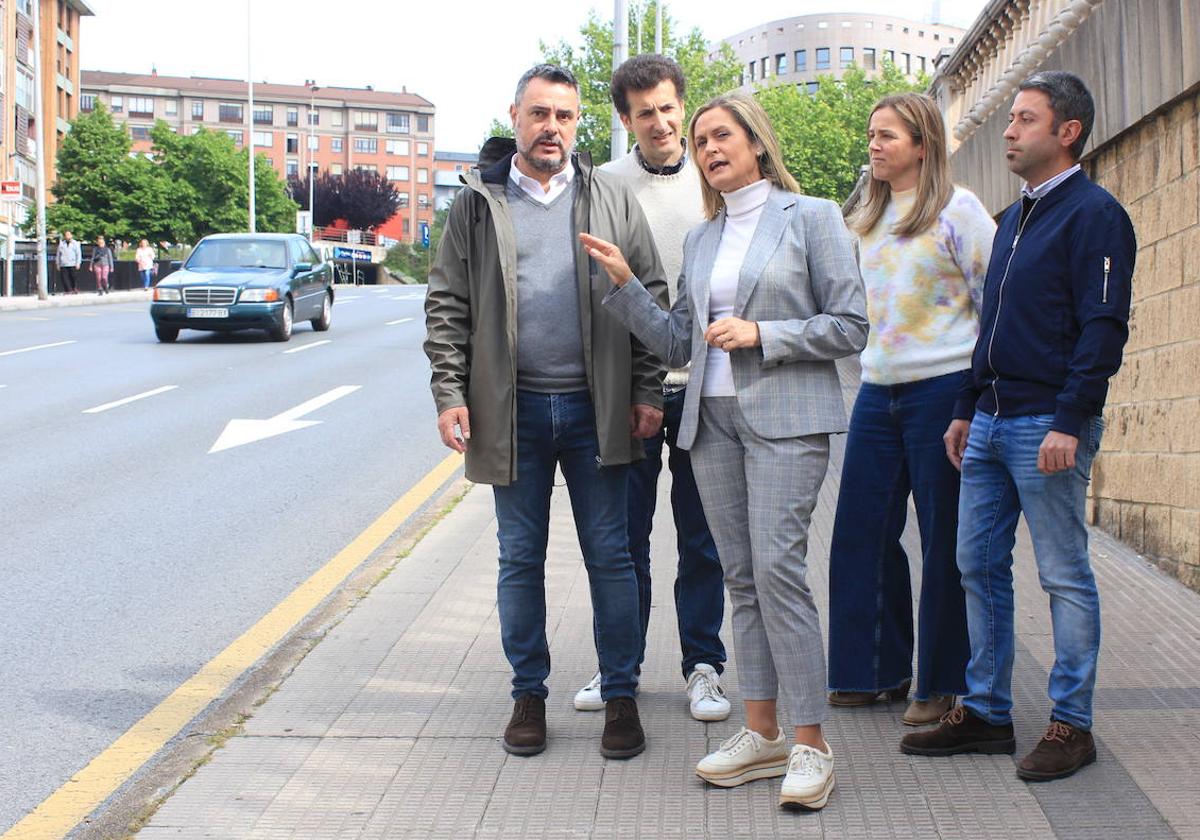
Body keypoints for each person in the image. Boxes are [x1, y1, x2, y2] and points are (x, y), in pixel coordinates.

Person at [583, 94, 867, 810]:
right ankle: (763, 729)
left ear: (757, 144)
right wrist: (624, 286)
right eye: (702, 139)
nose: (708, 148)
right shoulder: (704, 238)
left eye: (722, 135)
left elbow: (852, 324)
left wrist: (766, 336)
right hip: (709, 422)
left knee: (779, 573)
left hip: (786, 419)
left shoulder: (814, 218)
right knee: (741, 578)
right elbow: (680, 343)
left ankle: (812, 743)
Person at [423, 64, 669, 761]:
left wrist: (647, 391)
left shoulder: (613, 196)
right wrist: (450, 394)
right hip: (513, 412)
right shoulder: (477, 201)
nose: (551, 128)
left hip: (600, 410)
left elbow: (648, 295)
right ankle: (527, 694)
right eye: (539, 114)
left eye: (564, 116)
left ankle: (621, 695)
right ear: (515, 117)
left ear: (578, 122)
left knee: (612, 558)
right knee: (519, 557)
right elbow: (446, 305)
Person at [900, 72, 1136, 782]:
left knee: (1063, 574)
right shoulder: (1014, 219)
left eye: (1025, 119)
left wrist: (1072, 419)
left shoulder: (1095, 215)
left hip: (1047, 427)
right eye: (1010, 119)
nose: (1008, 130)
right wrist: (968, 407)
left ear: (1067, 131)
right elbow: (989, 324)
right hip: (992, 423)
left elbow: (1104, 327)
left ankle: (1072, 723)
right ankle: (987, 713)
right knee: (976, 565)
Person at [569, 54, 729, 723]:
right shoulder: (603, 184)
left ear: (681, 105)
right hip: (629, 388)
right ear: (625, 120)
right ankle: (619, 670)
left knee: (704, 539)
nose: (661, 123)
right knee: (623, 539)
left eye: (669, 108)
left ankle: (704, 668)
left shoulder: (719, 177)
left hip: (706, 387)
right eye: (645, 113)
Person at [826, 94, 996, 725]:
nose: (873, 145)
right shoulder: (865, 216)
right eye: (871, 134)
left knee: (943, 540)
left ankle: (941, 681)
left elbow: (994, 304)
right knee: (858, 534)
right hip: (877, 390)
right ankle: (872, 671)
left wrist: (976, 398)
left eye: (887, 136)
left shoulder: (960, 211)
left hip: (944, 390)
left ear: (922, 144)